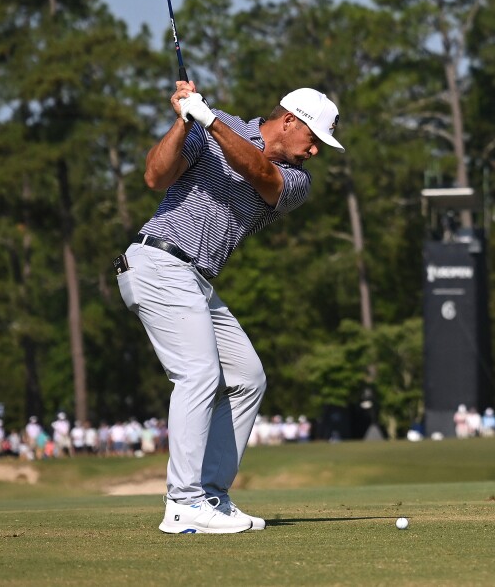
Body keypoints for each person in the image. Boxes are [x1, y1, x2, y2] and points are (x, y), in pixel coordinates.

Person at [116, 80, 343, 535]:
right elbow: (154, 177)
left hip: (194, 280)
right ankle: (183, 504)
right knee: (198, 375)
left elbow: (261, 174)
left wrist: (208, 119)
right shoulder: (212, 125)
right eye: (313, 139)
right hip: (159, 261)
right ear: (289, 121)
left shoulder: (296, 180)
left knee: (246, 378)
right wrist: (185, 121)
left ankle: (211, 495)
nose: (315, 151)